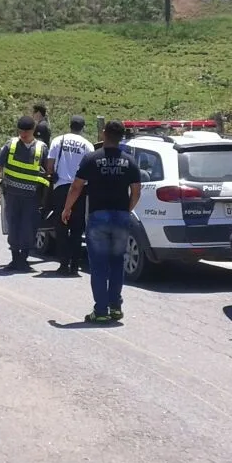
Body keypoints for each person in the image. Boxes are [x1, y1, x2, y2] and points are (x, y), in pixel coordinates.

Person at [63, 120, 142, 323]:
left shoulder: (91, 159)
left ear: (104, 134)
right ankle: (115, 307)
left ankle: (100, 311)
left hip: (98, 217)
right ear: (122, 137)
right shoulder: (130, 161)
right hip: (121, 216)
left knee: (98, 266)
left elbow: (76, 187)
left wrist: (67, 208)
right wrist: (127, 210)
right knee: (117, 263)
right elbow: (136, 190)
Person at [0, 115, 49, 271]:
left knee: (28, 228)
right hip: (12, 194)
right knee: (14, 226)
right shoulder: (11, 145)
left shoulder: (41, 148)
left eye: (27, 132)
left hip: (32, 197)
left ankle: (24, 259)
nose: (23, 134)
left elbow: (48, 172)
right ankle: (15, 258)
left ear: (33, 131)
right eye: (21, 131)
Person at [46, 115, 94, 275]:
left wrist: (51, 175)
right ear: (83, 127)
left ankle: (63, 263)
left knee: (61, 228)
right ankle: (74, 265)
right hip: (80, 190)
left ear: (70, 125)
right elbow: (90, 168)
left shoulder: (58, 140)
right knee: (76, 228)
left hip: (61, 188)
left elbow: (50, 165)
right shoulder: (88, 145)